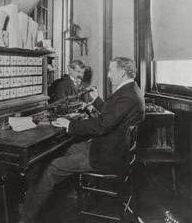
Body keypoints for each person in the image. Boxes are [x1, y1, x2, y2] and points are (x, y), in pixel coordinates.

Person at [20, 57, 145, 223]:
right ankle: (53, 197)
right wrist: (97, 101)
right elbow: (112, 115)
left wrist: (70, 125)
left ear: (122, 72)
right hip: (111, 149)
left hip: (106, 155)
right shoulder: (131, 90)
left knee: (53, 168)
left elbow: (102, 125)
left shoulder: (127, 95)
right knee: (68, 149)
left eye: (111, 71)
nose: (108, 75)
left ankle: (26, 217)